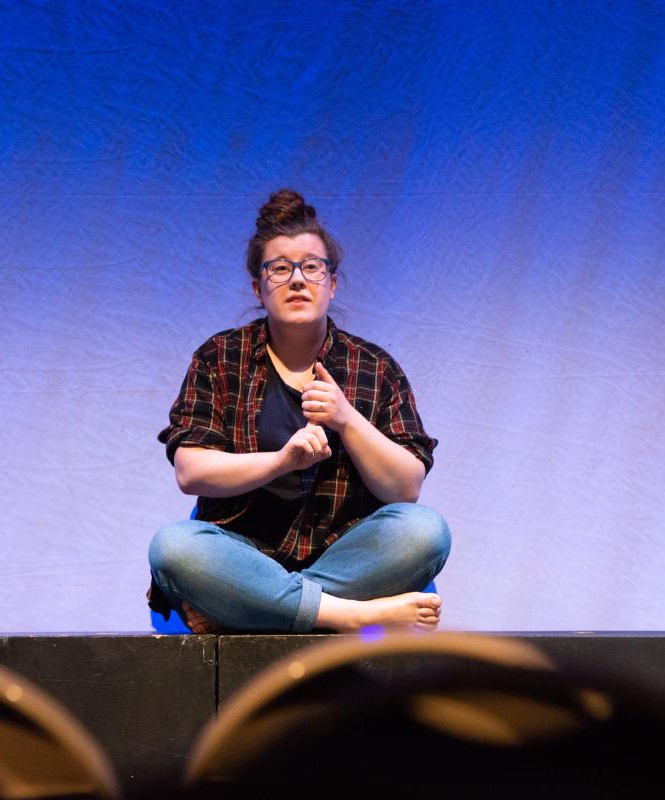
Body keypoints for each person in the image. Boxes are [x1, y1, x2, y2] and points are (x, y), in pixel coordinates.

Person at [148, 189, 450, 634]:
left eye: (312, 267)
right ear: (258, 286)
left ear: (332, 284)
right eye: (279, 268)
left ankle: (249, 610)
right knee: (173, 547)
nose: (296, 280)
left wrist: (347, 418)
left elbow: (405, 488)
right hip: (241, 551)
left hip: (346, 554)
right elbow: (191, 472)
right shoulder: (220, 357)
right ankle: (347, 615)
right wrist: (281, 461)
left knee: (425, 531)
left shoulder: (374, 367)